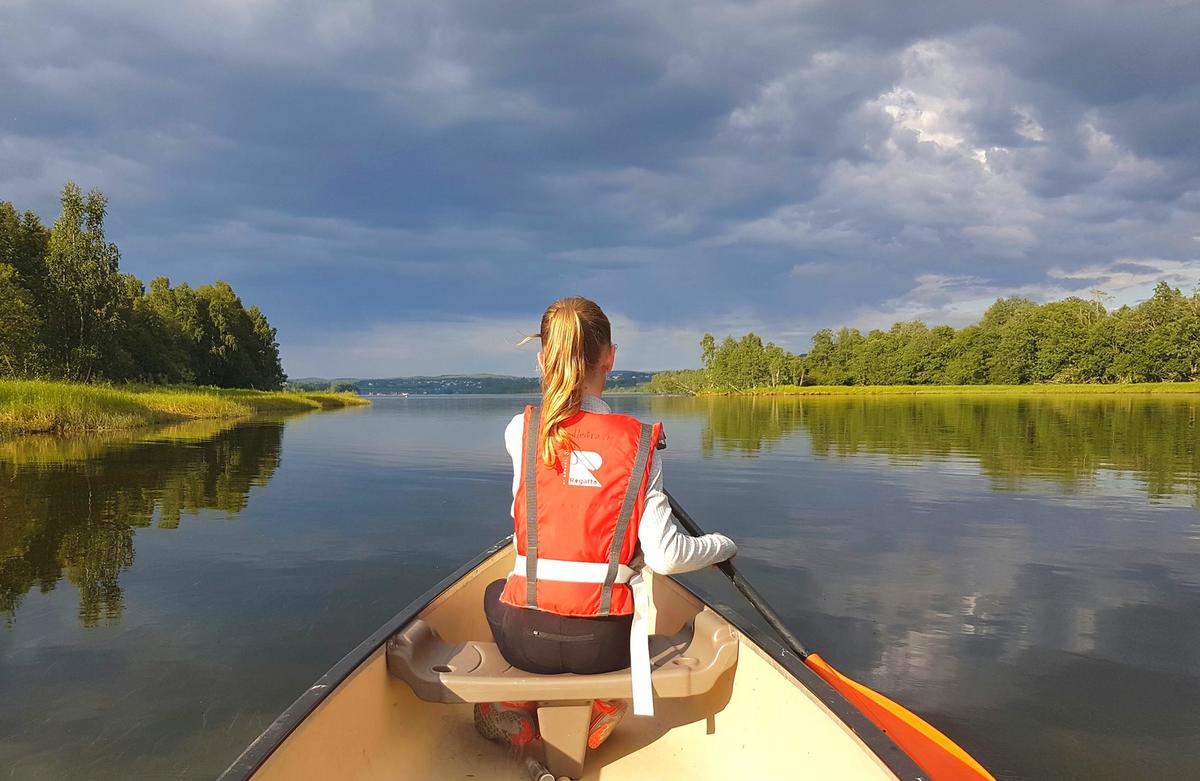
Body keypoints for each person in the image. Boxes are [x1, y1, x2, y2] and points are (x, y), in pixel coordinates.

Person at [476, 296, 737, 751]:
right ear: (610, 357)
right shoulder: (639, 443)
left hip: (526, 644)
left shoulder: (520, 429)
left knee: (492, 594)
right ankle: (603, 698)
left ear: (543, 358)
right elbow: (667, 557)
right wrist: (722, 545)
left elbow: (527, 518)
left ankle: (517, 709)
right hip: (604, 648)